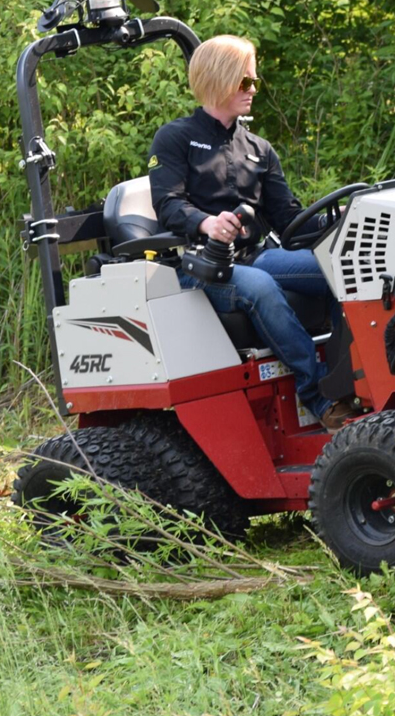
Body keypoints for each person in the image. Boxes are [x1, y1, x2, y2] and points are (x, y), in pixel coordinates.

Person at [148, 34, 348, 427]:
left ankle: (350, 383)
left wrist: (339, 223)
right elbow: (168, 205)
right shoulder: (175, 139)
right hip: (201, 266)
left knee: (342, 270)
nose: (253, 89)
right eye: (245, 82)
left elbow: (289, 219)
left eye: (254, 81)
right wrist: (206, 223)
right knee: (258, 287)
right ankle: (320, 397)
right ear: (219, 79)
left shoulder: (259, 148)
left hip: (255, 255)